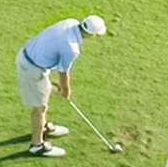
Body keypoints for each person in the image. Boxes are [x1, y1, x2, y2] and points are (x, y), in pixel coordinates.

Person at [16, 14, 106, 156]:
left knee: (45, 95)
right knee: (39, 108)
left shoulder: (70, 22)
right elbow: (63, 71)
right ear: (90, 34)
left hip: (29, 56)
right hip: (32, 68)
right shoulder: (72, 49)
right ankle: (36, 145)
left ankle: (43, 127)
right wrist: (65, 89)